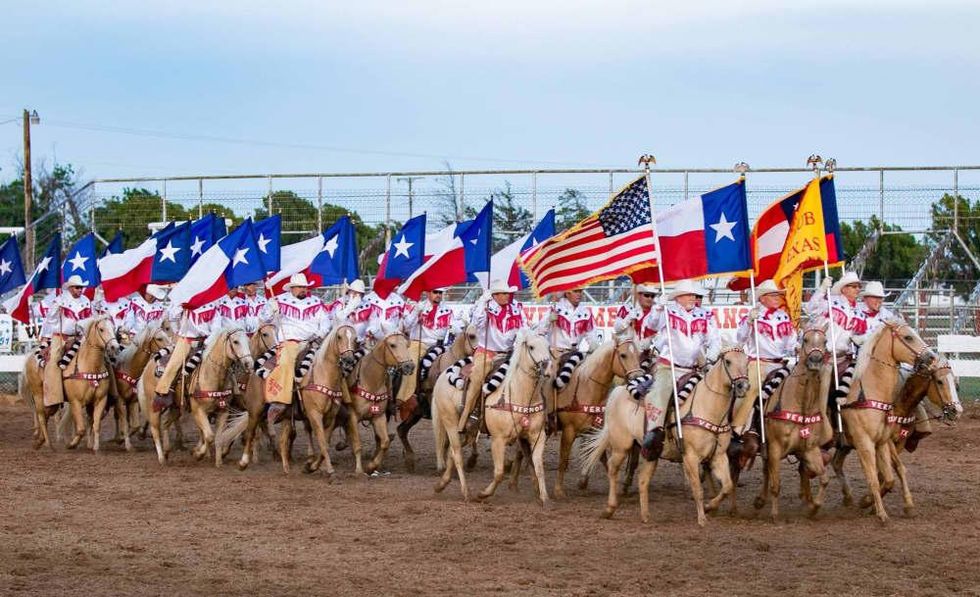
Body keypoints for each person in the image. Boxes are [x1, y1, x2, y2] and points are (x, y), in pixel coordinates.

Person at [639, 280, 720, 460]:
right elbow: (651, 324)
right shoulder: (667, 311)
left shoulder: (705, 315)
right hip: (668, 366)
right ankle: (654, 432)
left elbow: (714, 339)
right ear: (678, 297)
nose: (693, 298)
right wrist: (658, 308)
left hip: (693, 368)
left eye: (694, 295)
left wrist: (711, 357)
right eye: (688, 295)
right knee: (660, 393)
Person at [457, 279, 528, 434]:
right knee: (477, 379)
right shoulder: (486, 307)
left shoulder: (516, 308)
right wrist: (483, 303)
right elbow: (476, 323)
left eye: (507, 293)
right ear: (494, 295)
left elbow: (524, 327)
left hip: (510, 354)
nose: (506, 296)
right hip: (486, 353)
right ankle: (468, 415)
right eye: (502, 293)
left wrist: (522, 338)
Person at [259, 273, 331, 422]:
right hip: (289, 342)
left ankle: (341, 399)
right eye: (299, 287)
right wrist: (271, 310)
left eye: (304, 287)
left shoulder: (316, 302)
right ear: (291, 288)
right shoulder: (278, 301)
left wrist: (319, 335)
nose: (303, 289)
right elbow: (264, 319)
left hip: (313, 341)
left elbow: (326, 322)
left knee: (334, 361)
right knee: (285, 361)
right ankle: (279, 401)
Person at [731, 280, 796, 436]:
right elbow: (741, 338)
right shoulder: (753, 314)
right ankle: (739, 426)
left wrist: (796, 348)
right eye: (773, 295)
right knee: (751, 389)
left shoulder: (783, 316)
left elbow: (790, 341)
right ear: (762, 298)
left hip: (781, 363)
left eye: (778, 295)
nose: (777, 298)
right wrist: (749, 321)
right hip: (759, 363)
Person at [153, 296, 223, 410]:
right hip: (187, 339)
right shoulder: (184, 301)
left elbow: (217, 327)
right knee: (174, 363)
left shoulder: (212, 305)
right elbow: (172, 317)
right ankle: (163, 392)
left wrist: (207, 342)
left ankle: (233, 391)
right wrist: (181, 307)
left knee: (223, 361)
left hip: (207, 340)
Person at [397, 287, 456, 419]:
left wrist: (457, 328)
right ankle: (407, 397)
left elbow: (454, 327)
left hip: (440, 345)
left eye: (440, 292)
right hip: (419, 343)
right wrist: (415, 313)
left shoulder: (447, 310)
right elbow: (406, 327)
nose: (438, 295)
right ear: (428, 293)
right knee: (410, 363)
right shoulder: (418, 307)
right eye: (435, 292)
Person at [41, 276, 93, 407]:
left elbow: (90, 319)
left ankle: (110, 393)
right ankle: (54, 397)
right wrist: (55, 309)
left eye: (81, 288)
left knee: (103, 357)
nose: (80, 290)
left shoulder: (86, 300)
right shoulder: (60, 300)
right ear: (70, 288)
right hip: (62, 337)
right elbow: (50, 320)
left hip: (81, 337)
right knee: (53, 363)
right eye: (77, 287)